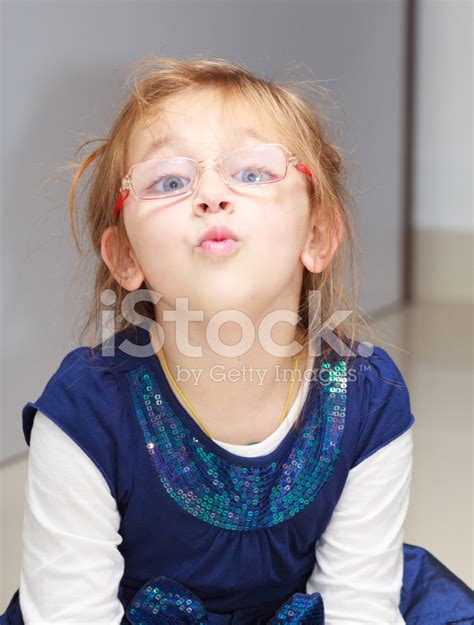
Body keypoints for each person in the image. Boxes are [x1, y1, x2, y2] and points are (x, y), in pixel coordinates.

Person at [1, 56, 473, 625]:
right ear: (126, 257)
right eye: (170, 181)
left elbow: (356, 603)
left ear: (317, 236)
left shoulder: (366, 396)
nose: (211, 195)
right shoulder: (88, 408)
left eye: (251, 172)